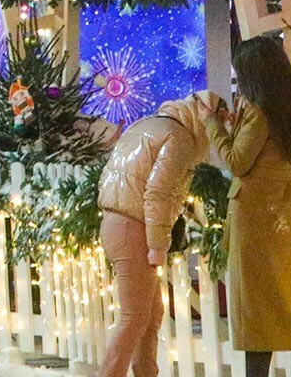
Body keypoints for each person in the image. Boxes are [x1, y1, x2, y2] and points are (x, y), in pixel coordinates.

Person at [96, 91, 214, 377]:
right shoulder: (179, 138)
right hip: (134, 227)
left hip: (116, 224)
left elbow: (109, 177)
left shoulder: (147, 126)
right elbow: (159, 194)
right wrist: (158, 245)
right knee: (135, 317)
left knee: (149, 314)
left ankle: (145, 372)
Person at [208, 36, 291, 377]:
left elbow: (237, 163)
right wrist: (237, 125)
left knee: (256, 315)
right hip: (285, 218)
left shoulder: (260, 111)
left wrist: (214, 128)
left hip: (256, 223)